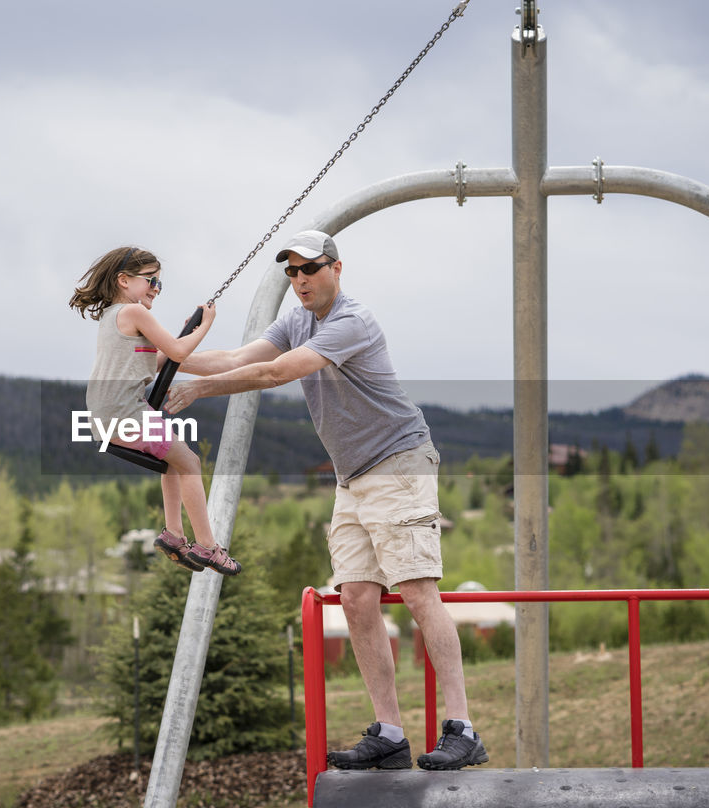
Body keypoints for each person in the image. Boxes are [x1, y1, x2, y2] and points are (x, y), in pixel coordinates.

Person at [165, 230, 485, 770]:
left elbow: (274, 373)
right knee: (357, 598)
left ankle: (463, 728)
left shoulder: (351, 322)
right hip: (352, 474)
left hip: (398, 460)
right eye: (291, 272)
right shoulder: (296, 319)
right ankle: (389, 734)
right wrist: (167, 360)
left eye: (310, 268)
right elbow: (242, 356)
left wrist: (194, 389)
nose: (300, 280)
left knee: (415, 590)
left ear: (338, 268)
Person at [70, 246, 242, 576]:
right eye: (151, 281)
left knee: (172, 464)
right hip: (126, 413)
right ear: (123, 280)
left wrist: (183, 335)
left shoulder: (114, 318)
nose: (155, 289)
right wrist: (205, 326)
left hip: (107, 416)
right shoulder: (134, 313)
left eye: (159, 284)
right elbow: (177, 351)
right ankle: (207, 546)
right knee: (190, 461)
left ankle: (174, 535)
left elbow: (160, 358)